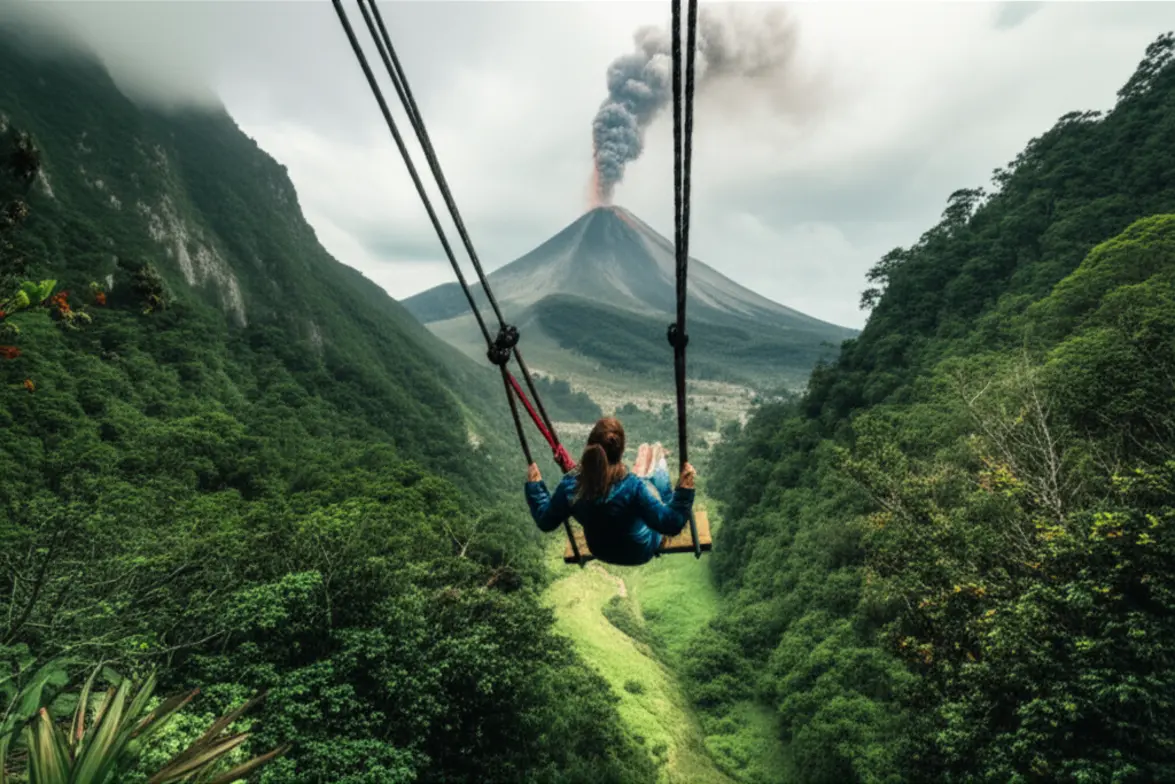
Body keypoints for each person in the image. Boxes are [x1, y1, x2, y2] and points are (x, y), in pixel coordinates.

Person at [524, 416, 696, 566]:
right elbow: (671, 524)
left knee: (644, 481)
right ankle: (656, 462)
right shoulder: (633, 488)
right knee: (657, 475)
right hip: (639, 551)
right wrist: (685, 490)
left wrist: (535, 486)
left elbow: (545, 521)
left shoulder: (571, 487)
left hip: (601, 550)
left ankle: (648, 458)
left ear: (589, 447)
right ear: (620, 452)